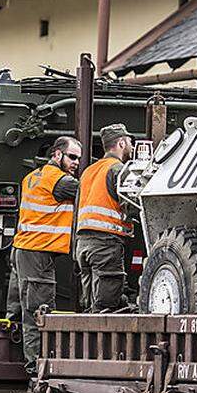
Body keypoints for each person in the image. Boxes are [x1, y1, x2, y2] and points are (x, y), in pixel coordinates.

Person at [9, 136, 81, 372]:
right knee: (38, 313)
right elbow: (87, 190)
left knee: (20, 310)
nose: (76, 163)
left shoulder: (33, 177)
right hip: (37, 252)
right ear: (57, 155)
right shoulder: (59, 180)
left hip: (24, 249)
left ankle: (22, 362)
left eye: (78, 159)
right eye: (72, 157)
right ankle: (35, 368)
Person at [75, 123, 134, 312]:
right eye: (130, 142)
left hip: (83, 245)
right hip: (105, 243)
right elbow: (131, 205)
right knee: (105, 307)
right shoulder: (118, 170)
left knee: (91, 302)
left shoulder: (88, 171)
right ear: (121, 143)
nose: (132, 146)